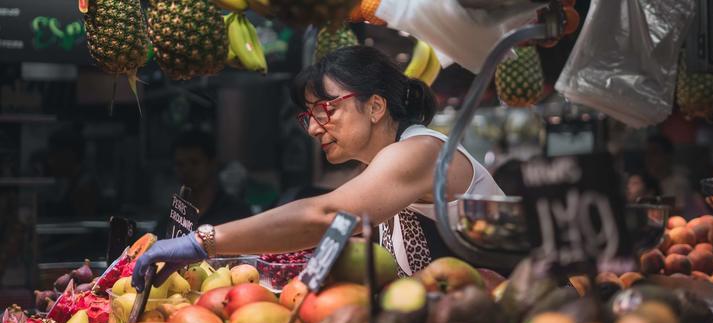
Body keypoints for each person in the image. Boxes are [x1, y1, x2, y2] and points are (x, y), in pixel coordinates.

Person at [132, 46, 505, 290]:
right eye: (307, 116)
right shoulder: (381, 166)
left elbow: (323, 216)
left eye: (326, 109)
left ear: (376, 107)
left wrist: (203, 241)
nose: (313, 127)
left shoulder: (421, 150)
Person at [154, 131, 252, 237]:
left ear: (212, 164)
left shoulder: (236, 212)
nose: (186, 170)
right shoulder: (172, 217)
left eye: (194, 162)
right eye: (180, 164)